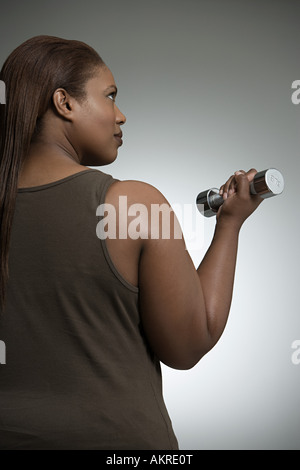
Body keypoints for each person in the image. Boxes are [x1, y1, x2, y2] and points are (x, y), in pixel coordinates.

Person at [0, 35, 263, 450]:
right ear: (64, 103)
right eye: (110, 96)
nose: (121, 115)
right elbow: (189, 343)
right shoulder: (131, 204)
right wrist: (230, 224)